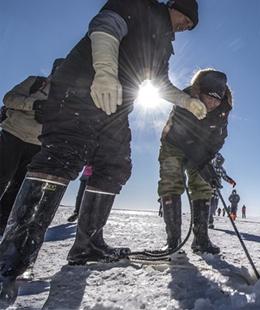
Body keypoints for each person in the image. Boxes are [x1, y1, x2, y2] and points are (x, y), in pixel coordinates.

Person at [0, 0, 203, 305]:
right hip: (80, 89)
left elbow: (158, 82)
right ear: (177, 7)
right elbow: (106, 26)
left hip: (116, 108)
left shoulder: (164, 43)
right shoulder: (141, 6)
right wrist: (105, 71)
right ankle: (11, 259)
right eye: (187, 19)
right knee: (61, 158)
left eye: (190, 25)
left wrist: (186, 101)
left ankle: (87, 245)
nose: (186, 26)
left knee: (115, 165)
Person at [158, 68, 233, 255]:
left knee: (202, 185)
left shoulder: (223, 110)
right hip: (174, 144)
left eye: (218, 98)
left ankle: (201, 239)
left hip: (201, 150)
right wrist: (201, 161)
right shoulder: (186, 98)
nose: (213, 103)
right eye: (210, 97)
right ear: (199, 91)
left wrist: (207, 161)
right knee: (171, 182)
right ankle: (173, 240)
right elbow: (182, 136)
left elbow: (219, 139)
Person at [0, 58, 64, 236]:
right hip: (13, 135)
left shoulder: (66, 97)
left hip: (37, 144)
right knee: (2, 177)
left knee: (19, 187)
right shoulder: (34, 82)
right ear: (54, 69)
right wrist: (34, 105)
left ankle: (3, 224)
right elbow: (9, 98)